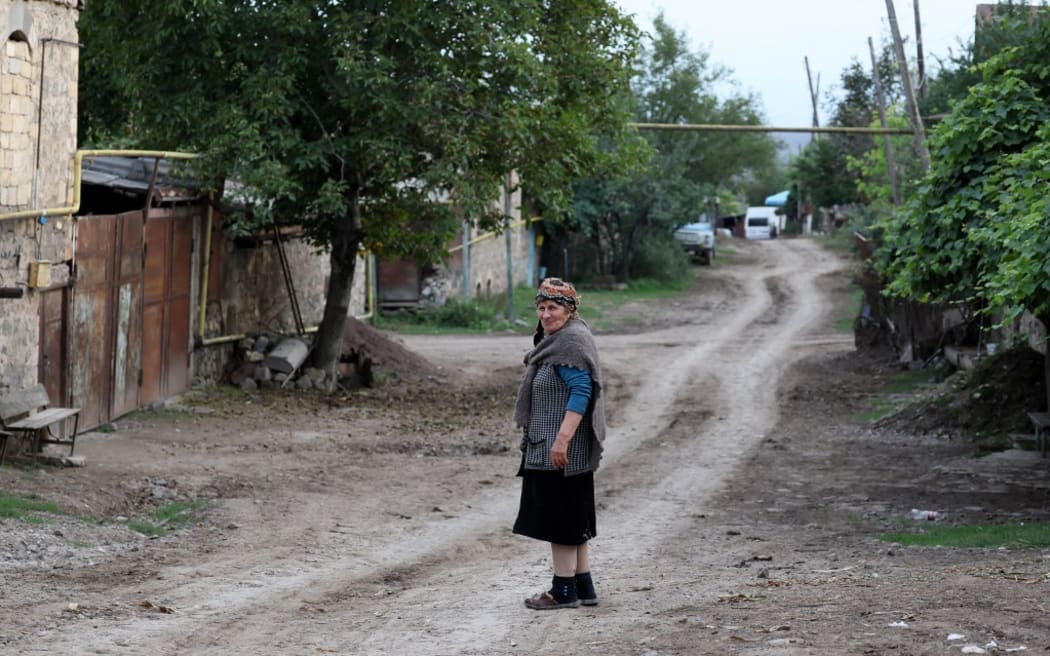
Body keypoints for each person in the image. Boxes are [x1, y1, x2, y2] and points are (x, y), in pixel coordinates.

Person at [512, 277, 607, 610]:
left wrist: (561, 440)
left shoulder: (569, 343)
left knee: (560, 520)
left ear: (569, 310)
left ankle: (562, 591)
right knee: (573, 516)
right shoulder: (562, 340)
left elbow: (582, 392)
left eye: (553, 307)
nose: (546, 314)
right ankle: (583, 586)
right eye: (541, 308)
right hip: (567, 450)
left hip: (561, 449)